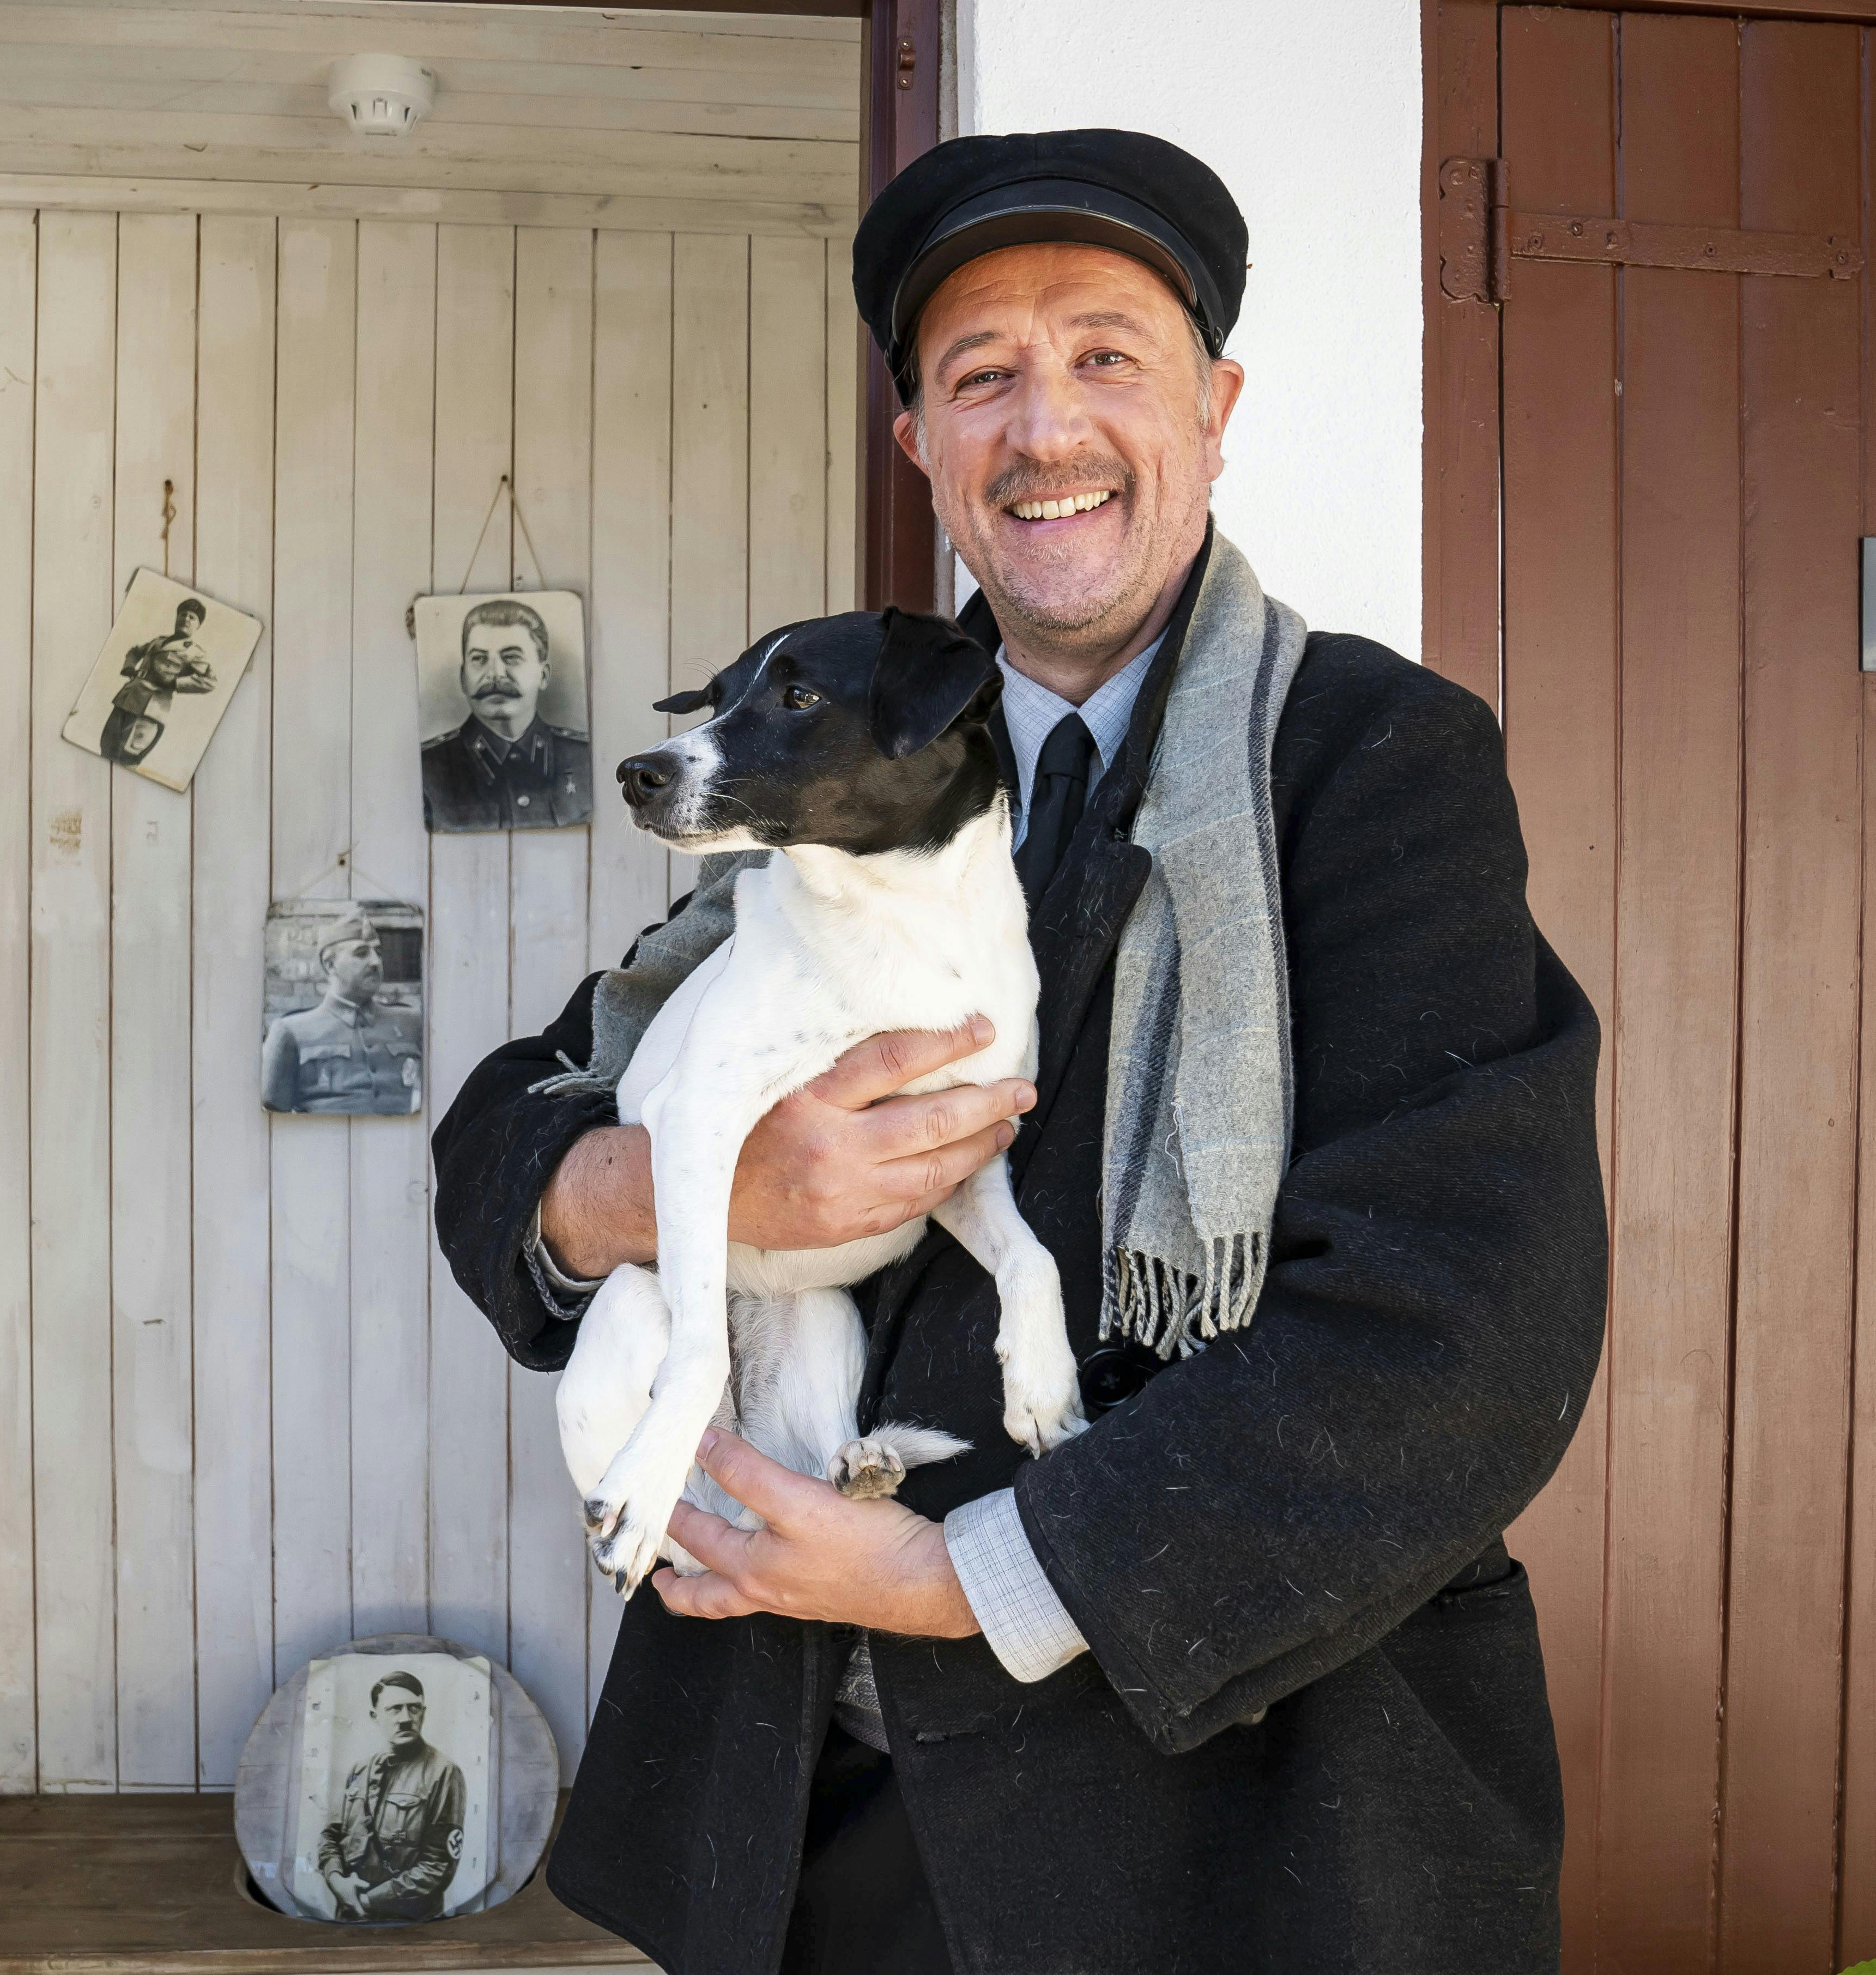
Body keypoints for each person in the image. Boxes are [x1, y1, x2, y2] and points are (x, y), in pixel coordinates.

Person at [431, 129, 1606, 1973]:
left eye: (1107, 360)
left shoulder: (1378, 763)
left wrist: (944, 1573)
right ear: (924, 451)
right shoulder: (825, 751)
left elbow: (1466, 1323)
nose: (1044, 429)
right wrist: (664, 1193)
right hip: (814, 1830)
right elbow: (535, 1109)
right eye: (982, 378)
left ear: (1214, 411)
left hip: (1230, 1838)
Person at [421, 597, 592, 830]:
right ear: (464, 678)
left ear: (544, 676)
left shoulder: (583, 759)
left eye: (511, 657)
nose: (495, 674)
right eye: (479, 659)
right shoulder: (428, 770)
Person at [315, 1671, 468, 1921]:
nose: (406, 1718)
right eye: (394, 1709)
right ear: (375, 1717)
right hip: (347, 1917)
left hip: (412, 1923)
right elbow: (330, 1836)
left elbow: (437, 1866)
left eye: (414, 1709)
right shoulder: (359, 1771)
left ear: (424, 1712)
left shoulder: (443, 1772)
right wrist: (337, 1882)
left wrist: (365, 1901)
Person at [261, 914, 421, 1115]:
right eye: (361, 954)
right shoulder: (291, 1031)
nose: (375, 962)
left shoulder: (412, 1023)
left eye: (378, 952)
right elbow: (273, 1120)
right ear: (330, 965)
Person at [100, 597, 215, 765]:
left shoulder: (195, 653)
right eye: (183, 615)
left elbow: (210, 681)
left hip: (151, 709)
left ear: (198, 626)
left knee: (128, 755)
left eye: (192, 617)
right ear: (176, 618)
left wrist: (176, 684)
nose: (186, 619)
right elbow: (134, 652)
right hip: (127, 699)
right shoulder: (158, 641)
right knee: (107, 746)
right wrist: (130, 668)